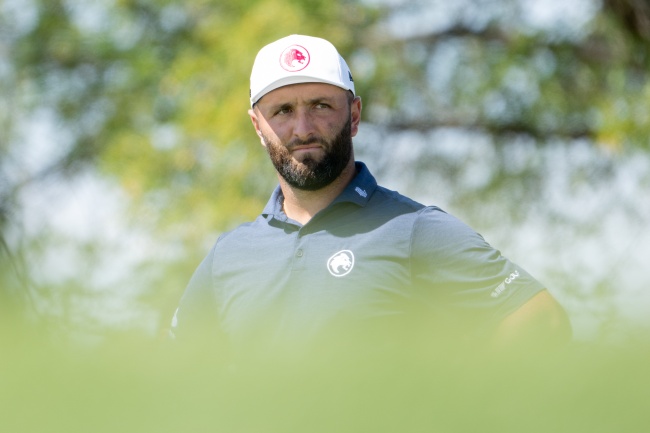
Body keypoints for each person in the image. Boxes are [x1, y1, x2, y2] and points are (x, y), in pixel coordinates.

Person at [171, 34, 571, 355]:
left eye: (321, 105)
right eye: (282, 112)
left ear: (355, 115)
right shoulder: (229, 253)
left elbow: (541, 321)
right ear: (258, 127)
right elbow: (176, 372)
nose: (303, 128)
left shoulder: (414, 229)